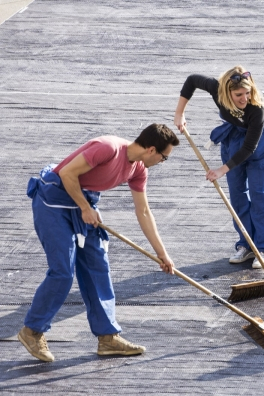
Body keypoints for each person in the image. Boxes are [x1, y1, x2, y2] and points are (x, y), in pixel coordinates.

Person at [18, 123, 179, 362]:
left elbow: (143, 212)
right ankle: (32, 331)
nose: (162, 162)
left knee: (97, 266)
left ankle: (107, 337)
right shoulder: (108, 148)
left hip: (83, 202)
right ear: (152, 150)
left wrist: (162, 254)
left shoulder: (138, 170)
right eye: (164, 158)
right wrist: (85, 208)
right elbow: (67, 173)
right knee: (62, 272)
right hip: (53, 202)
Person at [174, 66, 264, 269]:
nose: (244, 98)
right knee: (237, 192)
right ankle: (246, 244)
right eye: (239, 95)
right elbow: (191, 80)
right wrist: (179, 113)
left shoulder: (256, 107)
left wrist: (221, 169)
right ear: (226, 93)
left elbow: (250, 148)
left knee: (262, 192)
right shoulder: (216, 88)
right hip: (236, 131)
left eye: (247, 92)